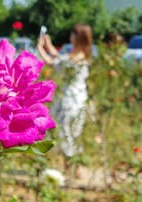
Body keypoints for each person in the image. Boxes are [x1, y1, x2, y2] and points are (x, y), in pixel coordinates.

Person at [37, 24, 93, 175]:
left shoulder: (74, 60)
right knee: (73, 131)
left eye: (73, 35)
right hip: (79, 97)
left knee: (65, 130)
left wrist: (41, 47)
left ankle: (71, 165)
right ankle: (74, 166)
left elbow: (51, 61)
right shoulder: (81, 55)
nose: (71, 37)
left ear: (78, 37)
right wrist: (49, 45)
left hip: (70, 99)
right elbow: (60, 58)